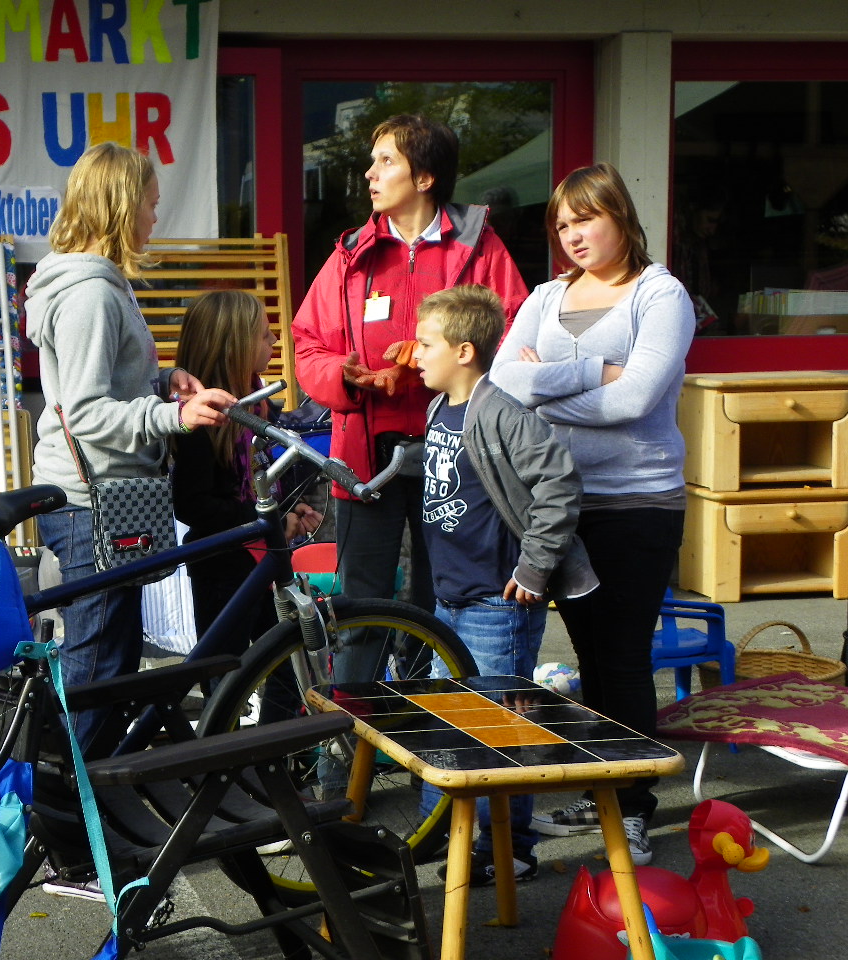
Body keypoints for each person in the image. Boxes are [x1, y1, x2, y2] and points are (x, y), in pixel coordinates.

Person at [490, 161, 695, 866]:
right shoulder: (547, 295)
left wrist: (542, 388)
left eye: (587, 219)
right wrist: (587, 373)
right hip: (558, 504)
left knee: (624, 657)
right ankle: (603, 789)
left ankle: (632, 808)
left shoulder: (659, 295)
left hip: (638, 502)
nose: (573, 235)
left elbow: (635, 400)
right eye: (563, 224)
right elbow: (501, 385)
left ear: (621, 217)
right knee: (589, 660)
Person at [292, 113, 528, 683]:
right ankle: (352, 734)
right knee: (361, 607)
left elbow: (516, 340)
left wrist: (440, 365)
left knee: (440, 605)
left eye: (386, 161)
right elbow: (307, 345)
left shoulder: (480, 247)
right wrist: (347, 376)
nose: (369, 174)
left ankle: (427, 727)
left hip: (457, 454)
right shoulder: (351, 254)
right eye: (372, 161)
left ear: (424, 177)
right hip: (367, 457)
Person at [24, 142, 235, 750]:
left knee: (109, 657)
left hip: (102, 495)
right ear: (121, 206)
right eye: (150, 203)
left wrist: (163, 381)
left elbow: (102, 383)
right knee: (97, 664)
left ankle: (84, 786)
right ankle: (70, 793)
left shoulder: (103, 283)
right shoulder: (90, 294)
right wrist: (173, 416)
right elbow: (86, 411)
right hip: (91, 500)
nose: (154, 215)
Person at [410, 284, 597, 886]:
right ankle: (437, 834)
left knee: (495, 729)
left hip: (497, 601)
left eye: (426, 344)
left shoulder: (502, 413)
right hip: (451, 598)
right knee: (445, 720)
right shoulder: (439, 409)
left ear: (464, 351)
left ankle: (508, 848)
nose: (415, 354)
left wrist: (534, 568)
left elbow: (559, 485)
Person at [171, 290, 322, 659]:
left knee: (287, 666)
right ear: (233, 347)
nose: (274, 340)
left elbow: (264, 475)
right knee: (223, 672)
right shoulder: (199, 419)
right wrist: (270, 521)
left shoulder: (259, 401)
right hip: (222, 566)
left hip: (266, 558)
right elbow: (192, 506)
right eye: (264, 334)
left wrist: (290, 507)